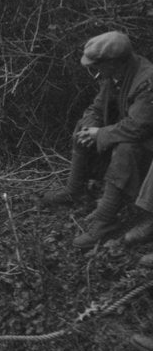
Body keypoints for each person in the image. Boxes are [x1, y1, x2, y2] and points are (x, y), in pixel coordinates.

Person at [41, 32, 153, 248]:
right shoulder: (116, 75)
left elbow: (138, 128)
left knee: (126, 149)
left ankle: (105, 221)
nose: (95, 70)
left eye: (97, 65)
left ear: (113, 62)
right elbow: (98, 106)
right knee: (85, 126)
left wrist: (100, 134)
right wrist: (90, 125)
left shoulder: (147, 81)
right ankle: (74, 190)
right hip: (135, 134)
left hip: (146, 149)